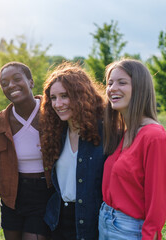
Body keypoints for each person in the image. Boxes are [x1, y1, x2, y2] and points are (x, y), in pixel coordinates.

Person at [99, 59, 166, 240]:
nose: (113, 88)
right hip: (105, 221)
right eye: (110, 83)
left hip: (130, 230)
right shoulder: (125, 133)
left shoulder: (154, 136)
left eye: (122, 82)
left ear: (139, 88)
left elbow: (157, 202)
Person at [39, 63, 106, 239]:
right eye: (53, 98)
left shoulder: (104, 133)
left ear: (80, 96)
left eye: (64, 96)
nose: (57, 104)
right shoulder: (56, 133)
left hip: (90, 221)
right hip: (58, 221)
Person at [0, 61, 54, 240]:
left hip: (43, 193)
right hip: (12, 196)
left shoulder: (52, 115)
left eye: (17, 79)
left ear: (31, 82)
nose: (11, 85)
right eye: (4, 83)